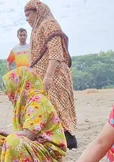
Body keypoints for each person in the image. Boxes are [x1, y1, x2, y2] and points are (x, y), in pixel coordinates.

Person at [24, 0, 78, 149]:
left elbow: (55, 52)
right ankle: (53, 137)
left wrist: (48, 77)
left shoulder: (49, 24)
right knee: (46, 107)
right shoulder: (36, 29)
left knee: (58, 107)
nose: (27, 19)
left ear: (38, 12)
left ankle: (68, 139)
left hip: (54, 74)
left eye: (29, 15)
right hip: (42, 75)